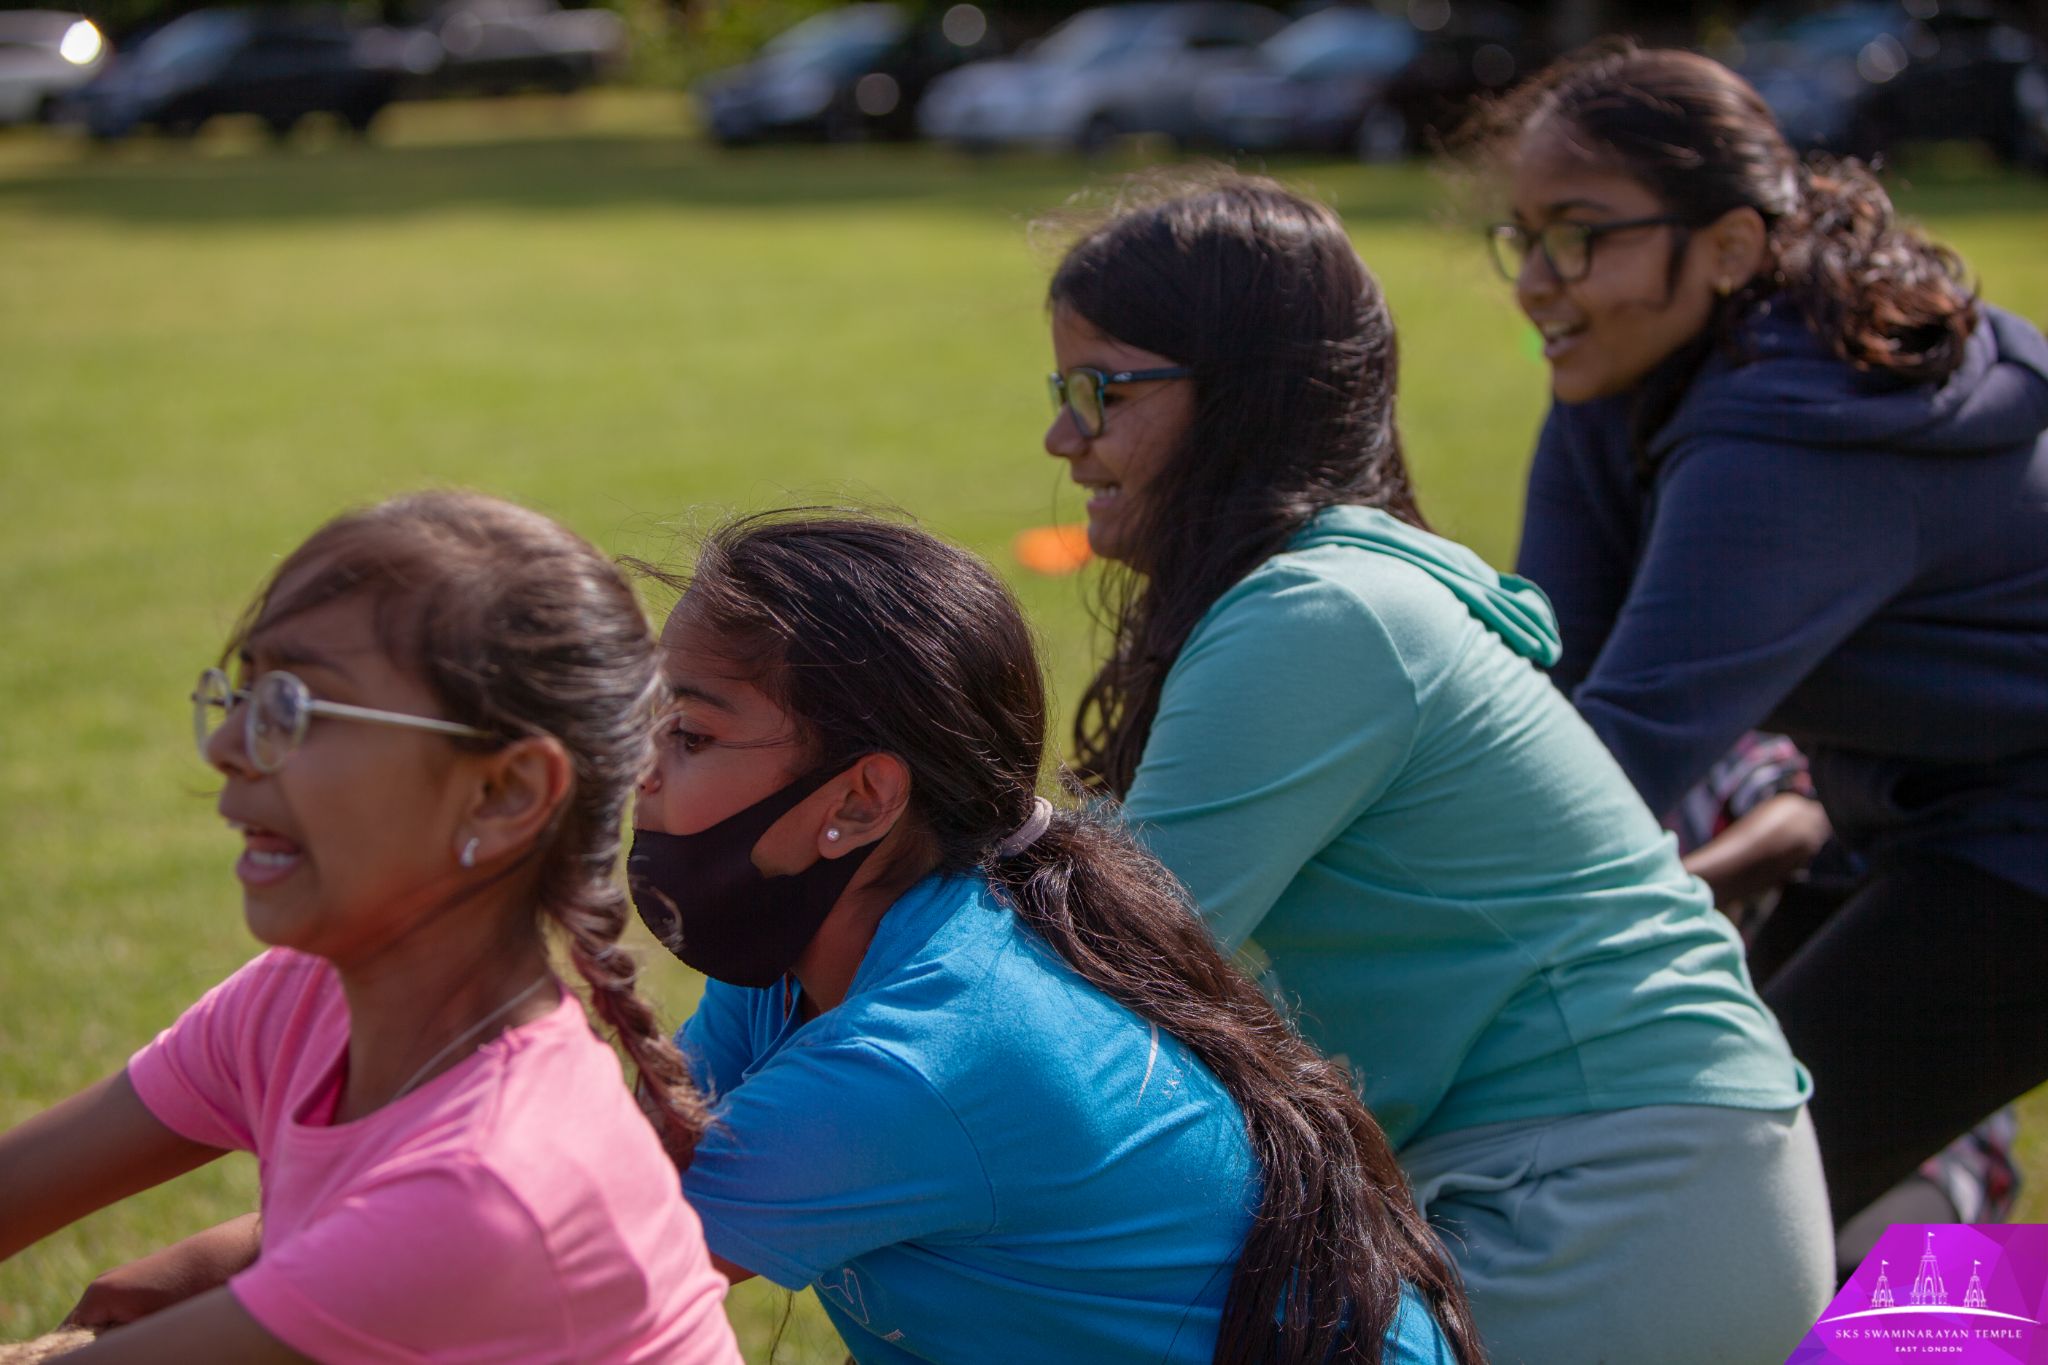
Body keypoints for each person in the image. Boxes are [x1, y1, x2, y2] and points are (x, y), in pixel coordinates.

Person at [1038, 172, 1832, 1364]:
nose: (1061, 436)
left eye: (1100, 390)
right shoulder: (1326, 594)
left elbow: (1105, 971)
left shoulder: (1317, 615)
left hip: (1617, 1205)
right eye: (1061, 390)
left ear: (1244, 398)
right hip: (1609, 1180)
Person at [627, 512, 1478, 1365]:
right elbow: (628, 1166)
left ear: (859, 800)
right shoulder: (801, 959)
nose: (642, 767)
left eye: (691, 735)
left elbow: (578, 1270)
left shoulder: (919, 1054)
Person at [1463, 42, 2048, 1233]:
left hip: (2017, 842)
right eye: (1520, 237)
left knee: (1721, 1196)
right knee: (1710, 1154)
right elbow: (1542, 684)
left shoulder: (1796, 431)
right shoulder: (1629, 372)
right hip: (1909, 810)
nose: (1534, 282)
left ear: (1729, 247)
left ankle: (1956, 1297)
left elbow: (1613, 754)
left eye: (1579, 233)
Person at [0, 492, 742, 1363]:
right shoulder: (304, 999)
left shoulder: (490, 1182)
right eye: (241, 695)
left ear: (503, 792)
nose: (227, 744)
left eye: (297, 708)